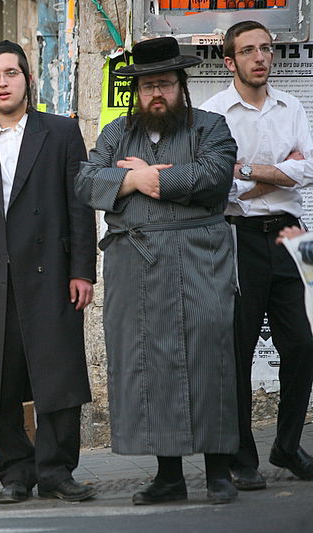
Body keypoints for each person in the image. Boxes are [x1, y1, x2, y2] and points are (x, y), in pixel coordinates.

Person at [76, 36, 240, 505]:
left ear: (181, 85)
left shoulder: (211, 126)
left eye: (165, 83)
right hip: (138, 266)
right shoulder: (115, 134)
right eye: (148, 85)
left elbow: (215, 176)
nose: (157, 94)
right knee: (152, 368)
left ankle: (219, 472)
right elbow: (86, 180)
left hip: (201, 260)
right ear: (135, 89)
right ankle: (169, 475)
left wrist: (156, 180)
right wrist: (131, 178)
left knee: (210, 361)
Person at [0, 40, 97, 504]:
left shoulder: (62, 132)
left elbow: (79, 206)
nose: (3, 82)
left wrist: (82, 270)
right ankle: (14, 472)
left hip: (50, 275)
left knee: (58, 376)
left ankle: (55, 471)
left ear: (28, 79)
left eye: (11, 73)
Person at [200, 20, 313, 489]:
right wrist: (277, 172)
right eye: (249, 51)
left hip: (293, 233)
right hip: (238, 233)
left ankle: (286, 446)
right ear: (230, 62)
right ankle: (241, 458)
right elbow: (218, 184)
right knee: (238, 349)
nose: (261, 57)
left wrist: (247, 169)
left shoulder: (293, 106)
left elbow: (308, 172)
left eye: (267, 49)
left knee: (304, 346)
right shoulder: (212, 113)